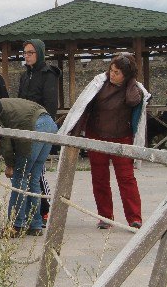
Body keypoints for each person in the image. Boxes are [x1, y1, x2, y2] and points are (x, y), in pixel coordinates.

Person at [58, 53, 150, 229]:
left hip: (122, 138)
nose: (112, 74)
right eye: (111, 70)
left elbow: (133, 100)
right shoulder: (99, 83)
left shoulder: (134, 88)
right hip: (97, 135)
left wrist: (130, 82)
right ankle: (105, 216)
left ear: (127, 75)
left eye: (117, 72)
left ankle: (134, 218)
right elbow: (84, 106)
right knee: (99, 178)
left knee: (126, 179)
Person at [0, 98, 57, 237]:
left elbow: (5, 141)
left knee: (20, 177)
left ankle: (16, 226)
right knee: (34, 179)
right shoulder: (5, 103)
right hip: (49, 124)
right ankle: (35, 225)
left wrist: (10, 164)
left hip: (35, 126)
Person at [18, 39, 61, 224]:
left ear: (39, 53)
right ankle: (32, 213)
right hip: (26, 126)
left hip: (40, 125)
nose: (27, 56)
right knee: (31, 173)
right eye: (25, 53)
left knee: (37, 173)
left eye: (30, 53)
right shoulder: (25, 75)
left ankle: (43, 210)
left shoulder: (48, 74)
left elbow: (50, 104)